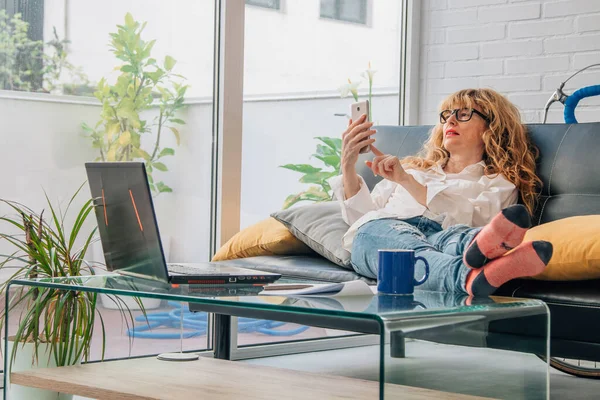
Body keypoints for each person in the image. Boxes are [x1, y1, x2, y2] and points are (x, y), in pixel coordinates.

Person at [328, 88, 553, 296]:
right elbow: (362, 219)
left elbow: (480, 220)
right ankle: (464, 274)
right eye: (447, 115)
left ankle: (472, 248)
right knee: (378, 229)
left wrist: (408, 182)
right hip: (382, 238)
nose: (451, 120)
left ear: (491, 127)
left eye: (464, 114)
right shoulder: (409, 169)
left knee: (452, 236)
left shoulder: (499, 182)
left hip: (443, 237)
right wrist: (348, 164)